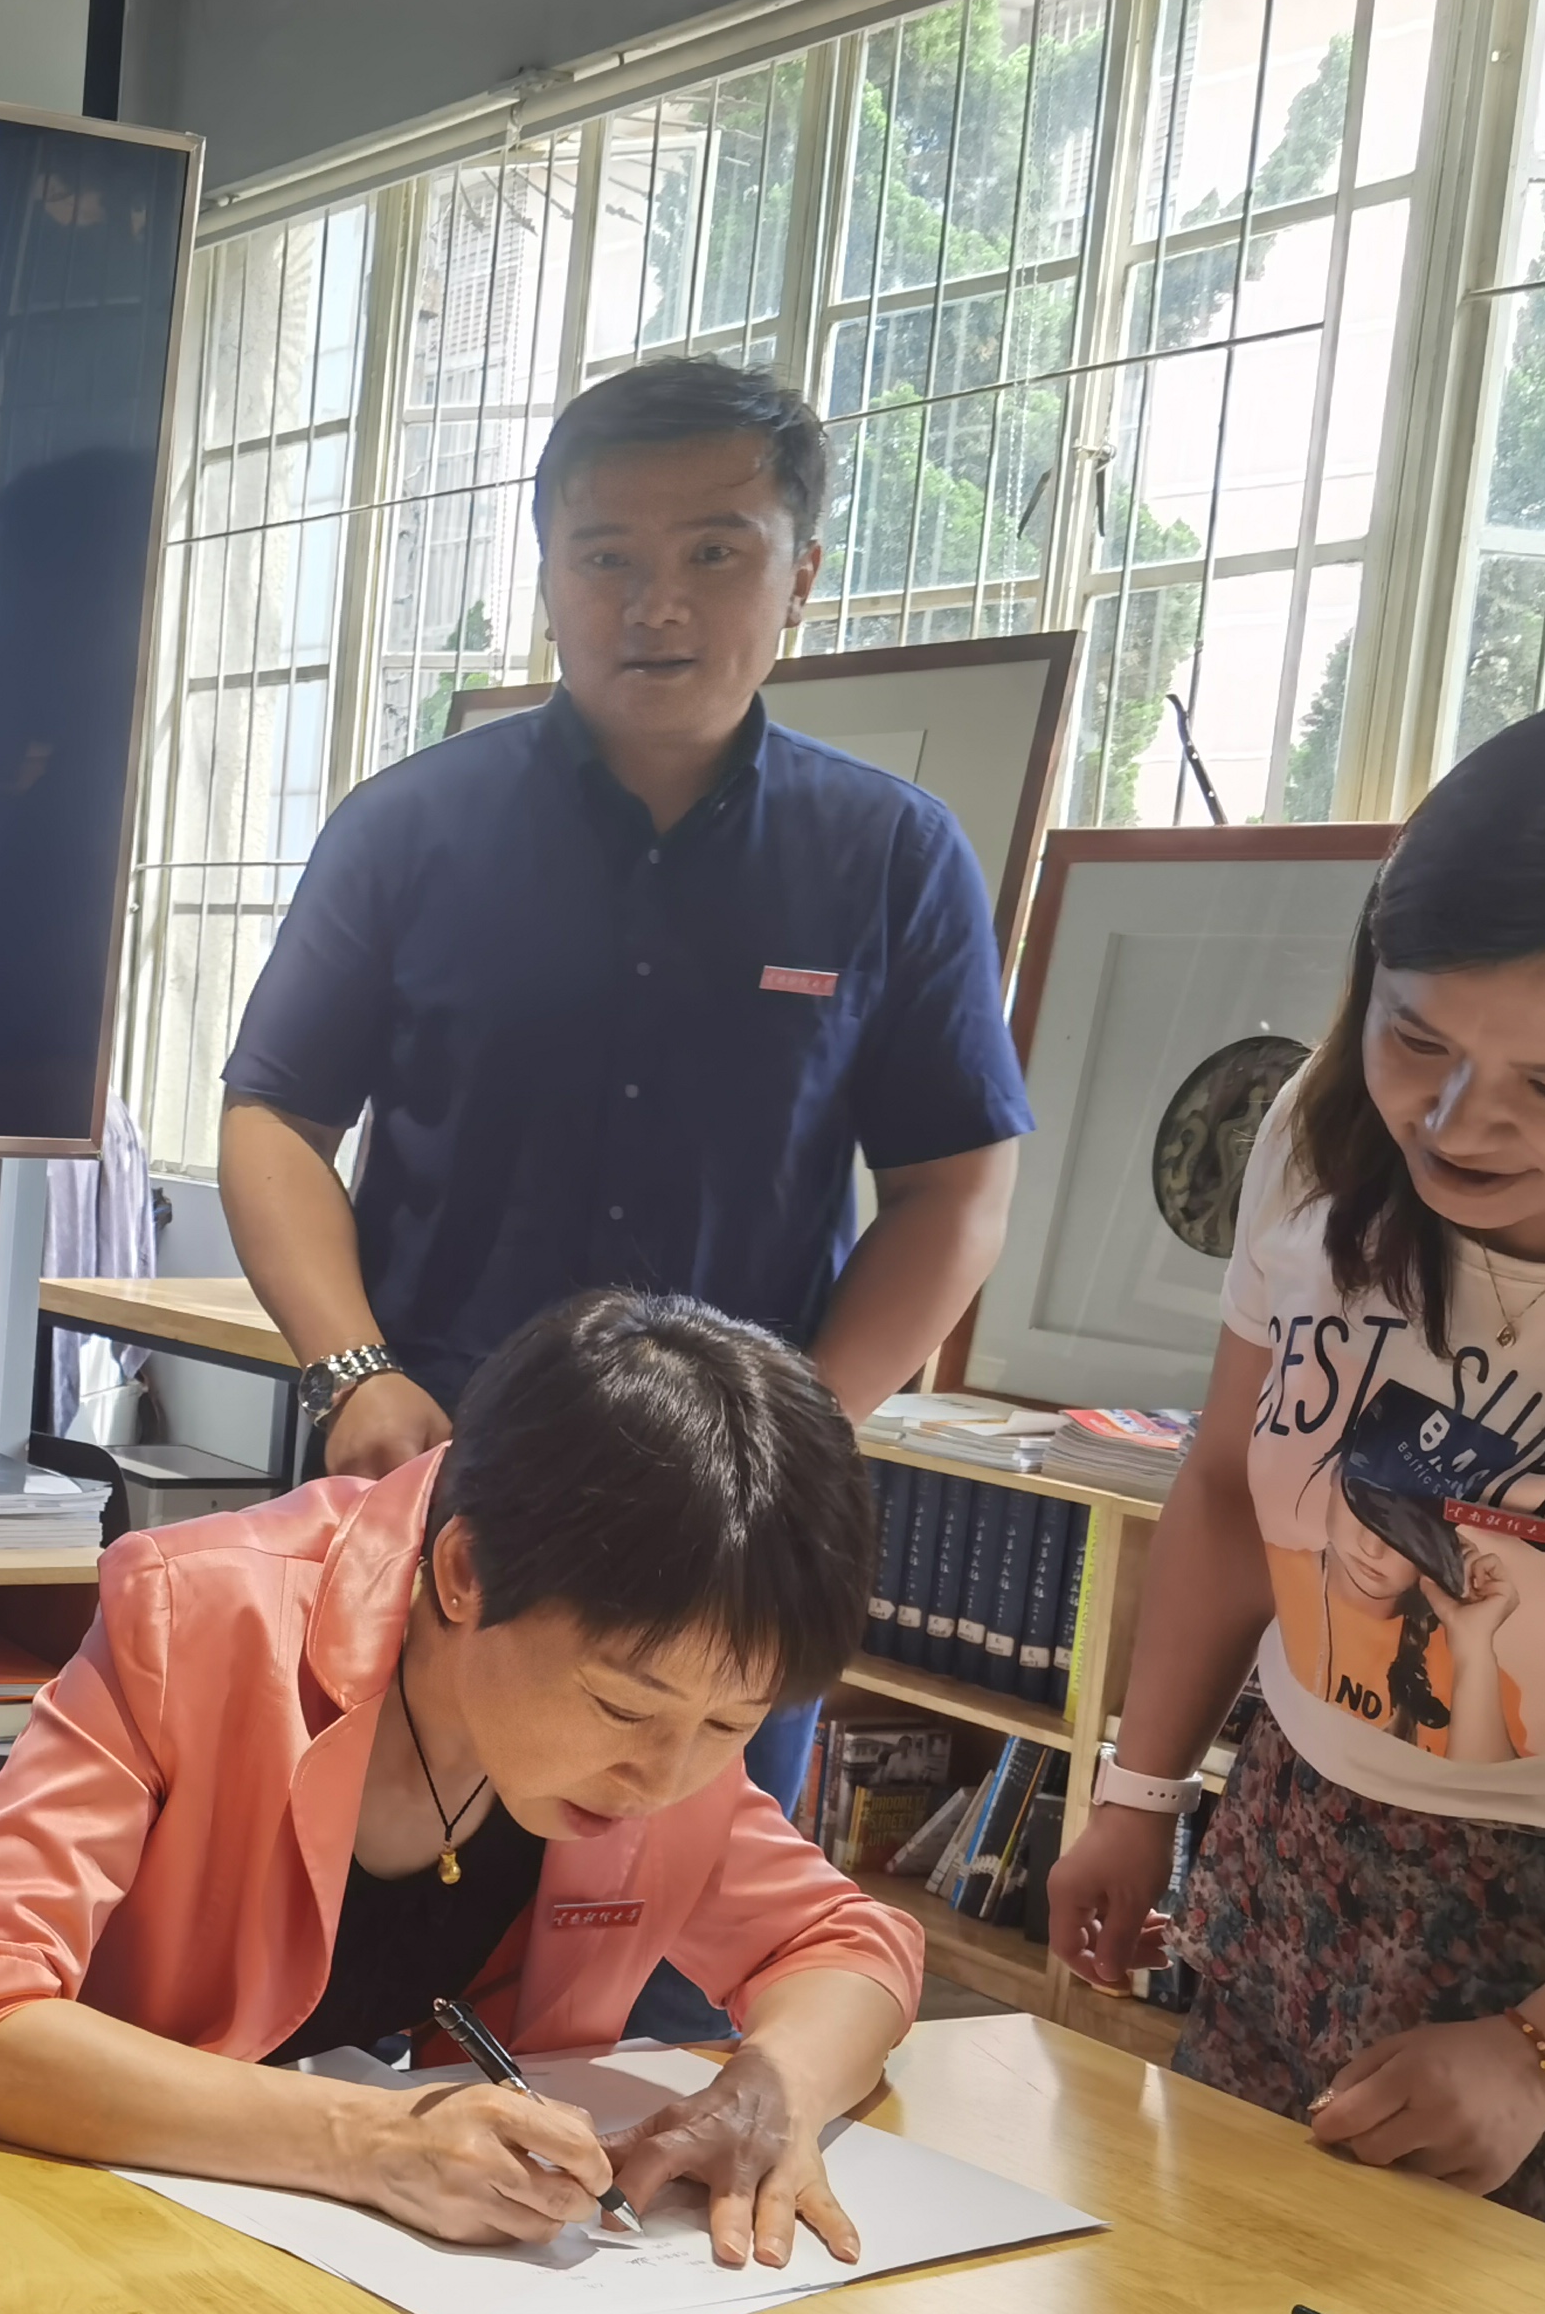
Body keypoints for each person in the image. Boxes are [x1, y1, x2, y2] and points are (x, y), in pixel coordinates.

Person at [219, 355, 1034, 1817]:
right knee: (343, 1869)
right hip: (431, 1457)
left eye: (714, 554)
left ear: (800, 578)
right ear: (548, 576)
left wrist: (800, 1431)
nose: (656, 606)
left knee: (675, 1908)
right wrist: (353, 1372)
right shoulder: (408, 831)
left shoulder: (891, 858)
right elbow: (276, 1115)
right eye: (606, 558)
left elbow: (954, 1187)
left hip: (730, 1527)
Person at [0, 1293, 923, 2266]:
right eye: (624, 1709)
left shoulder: (669, 1706)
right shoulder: (199, 1618)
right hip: (17, 2211)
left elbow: (849, 1945)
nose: (664, 1776)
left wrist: (772, 2091)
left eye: (731, 1725)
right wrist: (370, 2141)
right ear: (465, 1571)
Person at [1052, 699, 1545, 2241]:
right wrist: (1139, 1793)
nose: (1458, 1119)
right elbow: (1232, 1484)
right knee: (1214, 2304)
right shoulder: (1324, 1132)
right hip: (1301, 1843)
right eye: (1418, 1037)